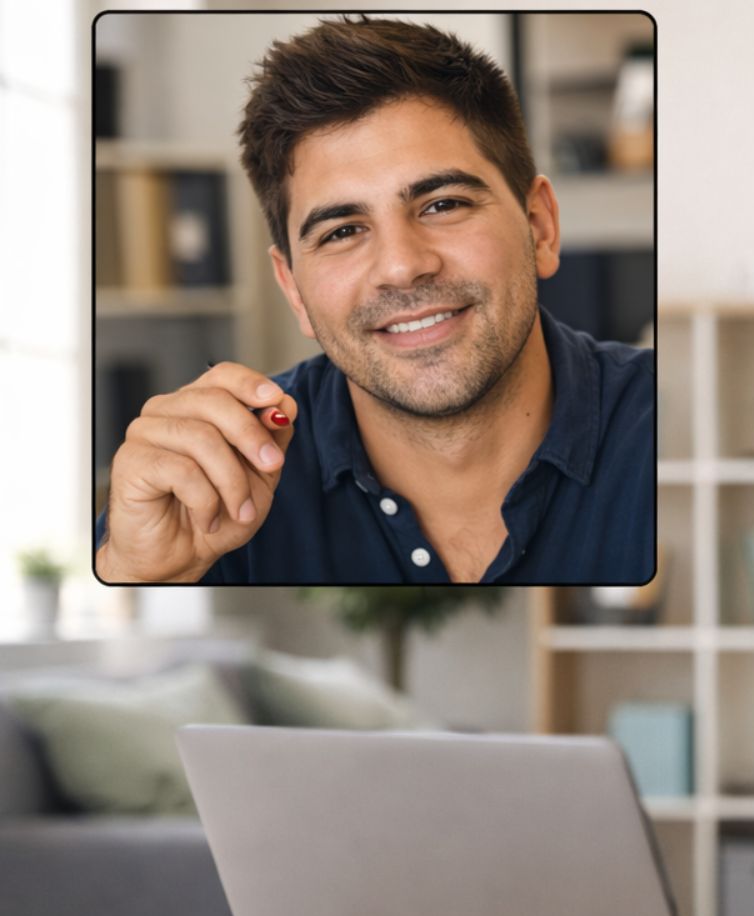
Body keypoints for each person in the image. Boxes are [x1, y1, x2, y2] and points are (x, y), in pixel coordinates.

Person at [92, 15, 655, 584]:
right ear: (293, 289)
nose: (402, 266)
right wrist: (140, 573)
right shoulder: (211, 487)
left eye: (443, 204)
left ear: (539, 227)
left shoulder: (674, 426)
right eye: (341, 232)